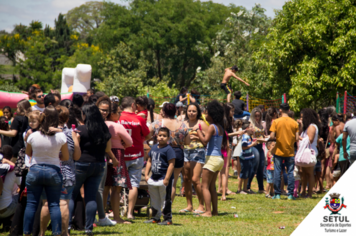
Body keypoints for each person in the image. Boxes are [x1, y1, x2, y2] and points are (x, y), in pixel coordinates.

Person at [69, 103, 117, 235]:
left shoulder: (81, 129)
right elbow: (108, 149)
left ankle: (66, 226)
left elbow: (75, 148)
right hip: (99, 165)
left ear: (86, 115)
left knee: (72, 195)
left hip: (81, 164)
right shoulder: (104, 129)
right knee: (91, 197)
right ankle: (89, 228)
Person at [24, 106, 70, 236]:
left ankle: (27, 232)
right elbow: (66, 157)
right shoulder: (61, 136)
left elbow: (28, 153)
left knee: (31, 204)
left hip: (35, 170)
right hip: (53, 171)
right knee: (54, 204)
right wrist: (55, 155)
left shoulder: (33, 135)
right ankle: (56, 232)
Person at [39, 106, 81, 236]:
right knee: (63, 204)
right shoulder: (70, 134)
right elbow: (77, 157)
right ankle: (64, 233)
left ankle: (42, 233)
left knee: (46, 204)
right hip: (66, 173)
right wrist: (76, 140)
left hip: (46, 171)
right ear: (67, 119)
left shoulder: (41, 133)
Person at [119, 97, 151, 220]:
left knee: (117, 185)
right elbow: (148, 135)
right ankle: (130, 213)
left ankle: (116, 210)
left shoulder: (118, 118)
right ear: (133, 105)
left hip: (121, 155)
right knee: (133, 185)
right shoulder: (139, 119)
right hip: (137, 155)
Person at [150, 103, 187, 203]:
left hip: (161, 152)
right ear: (175, 112)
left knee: (158, 179)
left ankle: (159, 204)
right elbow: (187, 142)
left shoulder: (158, 123)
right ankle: (168, 206)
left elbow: (147, 135)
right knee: (173, 182)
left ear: (164, 111)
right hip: (177, 153)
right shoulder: (182, 124)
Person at [195, 100, 225, 217]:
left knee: (204, 186)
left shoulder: (212, 127)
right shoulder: (219, 127)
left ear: (212, 115)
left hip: (211, 159)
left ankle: (207, 212)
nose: (205, 115)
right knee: (212, 187)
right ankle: (215, 212)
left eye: (206, 113)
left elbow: (205, 142)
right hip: (219, 159)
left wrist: (198, 132)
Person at [105, 102, 133, 224]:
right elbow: (130, 142)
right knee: (116, 189)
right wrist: (123, 145)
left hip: (104, 156)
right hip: (117, 155)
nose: (120, 115)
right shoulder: (117, 126)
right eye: (118, 112)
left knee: (104, 188)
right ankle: (116, 217)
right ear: (112, 114)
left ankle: (102, 216)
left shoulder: (101, 124)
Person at [180, 103, 208, 214]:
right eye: (189, 111)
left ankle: (201, 205)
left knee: (195, 179)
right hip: (185, 151)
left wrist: (197, 136)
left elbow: (207, 140)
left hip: (198, 151)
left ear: (198, 112)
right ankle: (189, 206)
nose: (191, 113)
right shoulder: (183, 123)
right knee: (186, 179)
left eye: (194, 111)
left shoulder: (202, 123)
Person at [144, 127, 175, 225]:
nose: (162, 137)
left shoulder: (169, 149)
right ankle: (155, 217)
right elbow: (149, 161)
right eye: (160, 135)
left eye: (164, 136)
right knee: (154, 198)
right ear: (156, 136)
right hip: (154, 177)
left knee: (165, 199)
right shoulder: (153, 148)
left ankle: (167, 219)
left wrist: (167, 178)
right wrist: (146, 174)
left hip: (164, 179)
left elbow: (171, 164)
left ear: (168, 138)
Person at [95, 96, 118, 226]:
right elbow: (107, 146)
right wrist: (114, 158)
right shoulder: (97, 123)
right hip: (97, 160)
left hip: (101, 159)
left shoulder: (103, 123)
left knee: (100, 189)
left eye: (106, 110)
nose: (104, 112)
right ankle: (101, 217)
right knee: (98, 189)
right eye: (102, 110)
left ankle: (99, 217)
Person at [269, 103, 299, 200]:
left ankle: (277, 194)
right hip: (290, 151)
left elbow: (272, 136)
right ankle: (290, 194)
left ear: (280, 110)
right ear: (289, 110)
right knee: (290, 172)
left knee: (277, 171)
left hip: (278, 151)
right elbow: (297, 138)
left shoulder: (276, 122)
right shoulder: (294, 123)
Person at [298, 108, 320, 198]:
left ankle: (309, 193)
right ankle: (303, 192)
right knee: (303, 173)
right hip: (305, 152)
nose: (301, 119)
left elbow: (309, 140)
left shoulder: (312, 126)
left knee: (310, 173)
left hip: (310, 152)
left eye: (302, 117)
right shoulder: (306, 127)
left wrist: (299, 138)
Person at [247, 107, 266, 194]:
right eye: (256, 116)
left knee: (261, 166)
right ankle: (247, 187)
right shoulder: (251, 124)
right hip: (254, 146)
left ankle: (261, 188)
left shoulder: (261, 124)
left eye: (259, 115)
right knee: (254, 166)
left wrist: (266, 137)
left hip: (260, 146)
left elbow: (263, 135)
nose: (257, 117)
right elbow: (251, 136)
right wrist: (260, 138)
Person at [0, 145, 19, 220]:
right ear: (12, 156)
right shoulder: (13, 171)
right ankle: (12, 221)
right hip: (6, 209)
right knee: (24, 198)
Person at [238, 121, 257, 194]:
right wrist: (252, 145)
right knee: (243, 174)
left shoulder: (249, 136)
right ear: (247, 128)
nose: (253, 129)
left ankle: (245, 189)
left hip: (249, 157)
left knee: (248, 174)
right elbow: (243, 147)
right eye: (251, 127)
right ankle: (239, 189)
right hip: (244, 158)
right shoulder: (245, 137)